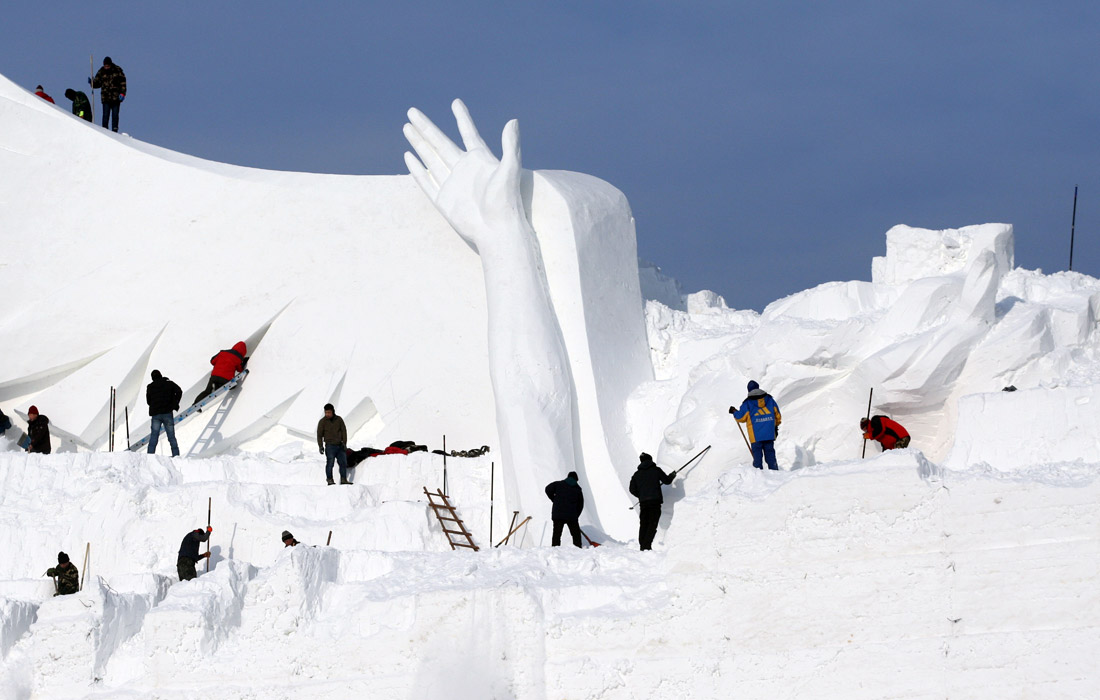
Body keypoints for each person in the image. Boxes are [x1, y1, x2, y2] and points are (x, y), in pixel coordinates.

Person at [729, 380, 782, 470]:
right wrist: (774, 427)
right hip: (769, 434)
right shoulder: (770, 400)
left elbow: (740, 417)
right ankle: (776, 474)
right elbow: (778, 416)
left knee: (757, 459)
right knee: (771, 457)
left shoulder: (747, 403)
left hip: (755, 437)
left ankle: (758, 478)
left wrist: (734, 411)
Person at [629, 453, 676, 551]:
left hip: (644, 503)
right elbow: (667, 481)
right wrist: (672, 475)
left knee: (644, 523)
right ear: (650, 460)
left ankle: (643, 545)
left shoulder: (636, 475)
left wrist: (641, 495)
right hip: (655, 502)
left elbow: (632, 489)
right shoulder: (656, 470)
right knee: (652, 524)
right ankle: (646, 546)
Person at [193, 341, 247, 406]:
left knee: (207, 391)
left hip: (214, 376)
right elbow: (240, 369)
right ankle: (217, 387)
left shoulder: (222, 352)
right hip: (226, 379)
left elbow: (212, 361)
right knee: (233, 386)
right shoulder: (238, 358)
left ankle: (195, 404)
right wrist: (244, 361)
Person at [146, 370, 183, 456]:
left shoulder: (150, 386)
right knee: (171, 436)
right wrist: (175, 403)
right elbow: (179, 391)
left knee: (154, 436)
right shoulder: (169, 383)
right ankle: (176, 455)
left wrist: (155, 404)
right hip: (167, 413)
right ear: (161, 375)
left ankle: (150, 456)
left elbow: (148, 401)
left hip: (156, 415)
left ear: (152, 378)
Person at [544, 471, 584, 548]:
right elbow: (580, 504)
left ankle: (555, 549)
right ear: (576, 479)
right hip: (571, 515)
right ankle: (578, 548)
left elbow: (547, 489)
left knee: (557, 534)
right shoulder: (578, 489)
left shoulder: (558, 484)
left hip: (558, 514)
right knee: (576, 534)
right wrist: (576, 515)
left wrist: (554, 499)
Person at [317, 403, 350, 485]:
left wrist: (344, 443)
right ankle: (330, 480)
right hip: (329, 446)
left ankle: (343, 479)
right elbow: (319, 435)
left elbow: (344, 431)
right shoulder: (322, 422)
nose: (327, 414)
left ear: (333, 411)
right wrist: (320, 446)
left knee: (343, 463)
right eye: (326, 412)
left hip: (340, 445)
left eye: (329, 412)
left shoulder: (339, 420)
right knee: (330, 463)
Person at [91, 56, 126, 132]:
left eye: (108, 66)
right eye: (105, 66)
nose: (106, 67)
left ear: (110, 64)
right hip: (106, 97)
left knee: (115, 115)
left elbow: (123, 83)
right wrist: (92, 83)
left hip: (115, 97)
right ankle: (104, 130)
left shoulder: (117, 70)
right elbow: (97, 83)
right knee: (105, 115)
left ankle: (115, 129)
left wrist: (123, 93)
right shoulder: (101, 71)